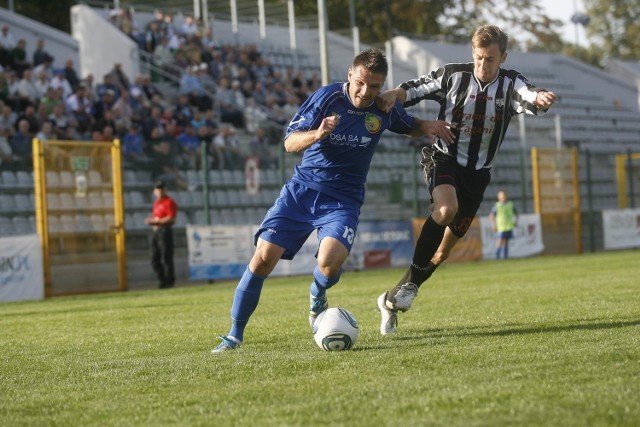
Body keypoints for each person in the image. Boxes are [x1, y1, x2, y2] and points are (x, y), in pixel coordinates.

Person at [211, 48, 453, 353]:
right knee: (262, 258)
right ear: (350, 75)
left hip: (343, 201)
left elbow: (409, 125)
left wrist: (429, 126)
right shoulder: (327, 98)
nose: (366, 92)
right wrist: (318, 133)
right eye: (362, 83)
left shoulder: (383, 107)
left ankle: (317, 296)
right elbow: (289, 142)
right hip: (301, 193)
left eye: (375, 86)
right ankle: (234, 336)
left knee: (330, 262)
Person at [375, 25, 557, 335]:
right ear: (472, 54)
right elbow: (415, 88)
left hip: (478, 175)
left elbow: (529, 94)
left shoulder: (511, 84)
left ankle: (394, 297)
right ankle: (409, 290)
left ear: (503, 57)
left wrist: (540, 97)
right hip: (443, 159)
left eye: (490, 59)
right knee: (446, 210)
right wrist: (395, 93)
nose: (483, 65)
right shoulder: (453, 76)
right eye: (478, 58)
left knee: (443, 252)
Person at [144, 180, 178, 289]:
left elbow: (171, 218)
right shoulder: (156, 203)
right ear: (155, 191)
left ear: (165, 189)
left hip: (165, 231)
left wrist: (156, 222)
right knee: (155, 258)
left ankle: (169, 281)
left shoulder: (169, 202)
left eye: (162, 188)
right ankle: (162, 280)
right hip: (156, 231)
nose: (160, 191)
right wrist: (154, 222)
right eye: (158, 189)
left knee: (166, 257)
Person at [489, 190, 518, 259]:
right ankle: (497, 257)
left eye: (504, 195)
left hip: (508, 226)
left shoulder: (510, 204)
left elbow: (517, 213)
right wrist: (494, 225)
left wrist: (516, 221)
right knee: (499, 241)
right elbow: (491, 216)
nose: (503, 197)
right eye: (501, 195)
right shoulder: (497, 206)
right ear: (498, 197)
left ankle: (505, 257)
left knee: (506, 242)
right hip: (501, 227)